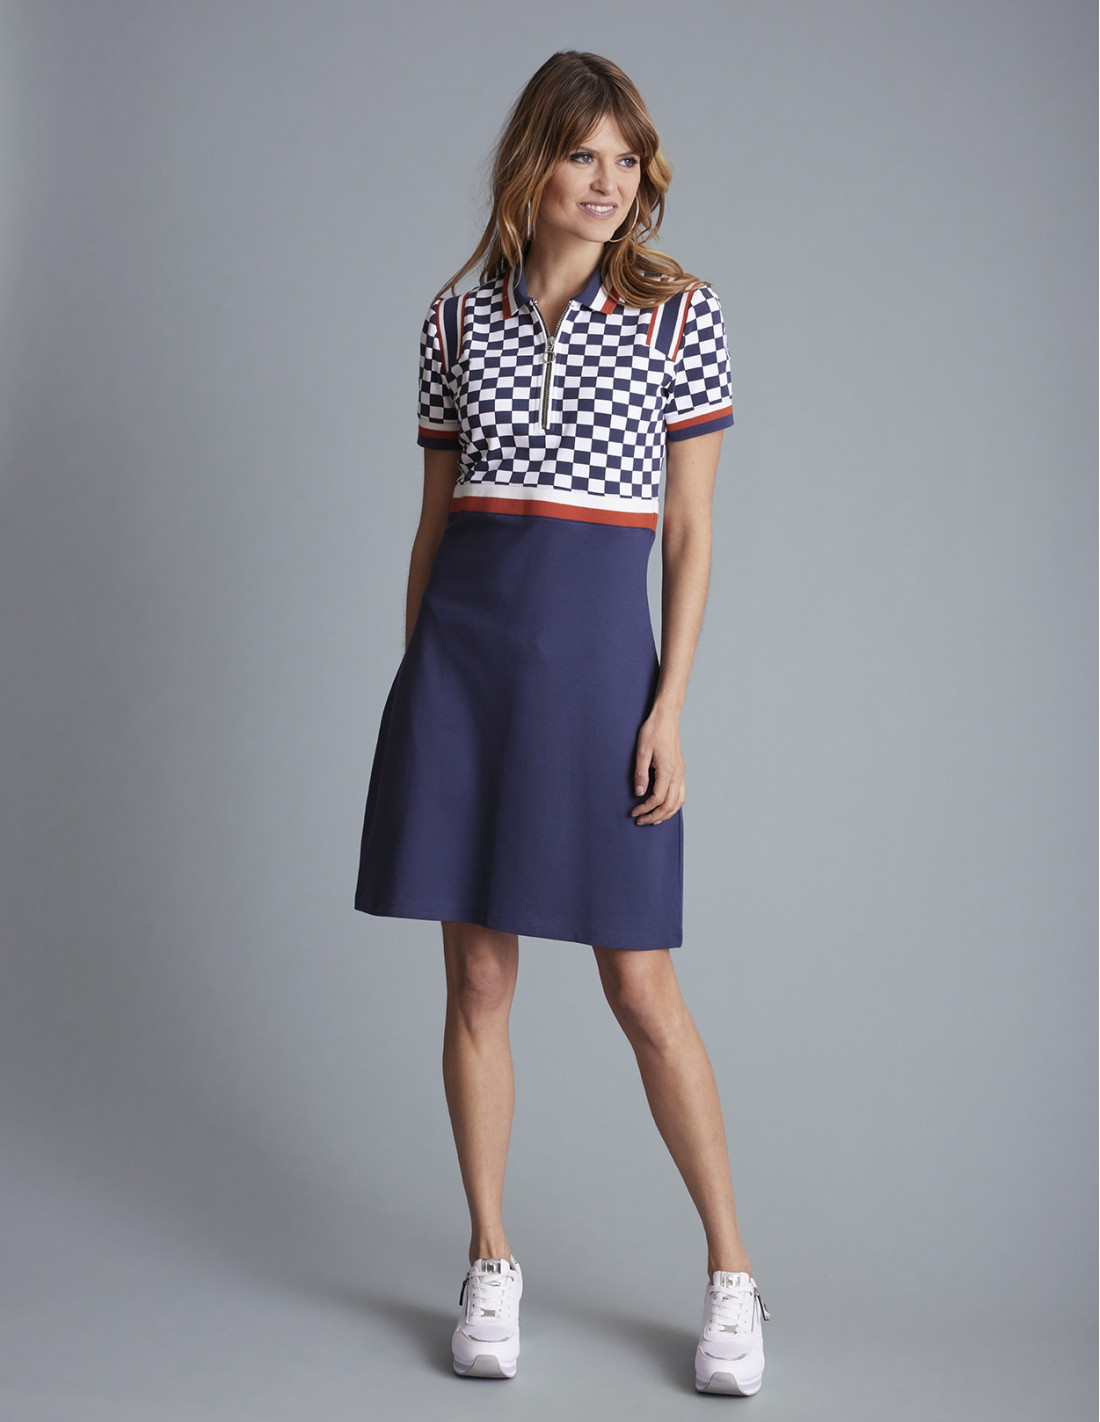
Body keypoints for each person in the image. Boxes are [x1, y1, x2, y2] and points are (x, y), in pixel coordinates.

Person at [353, 49, 769, 1397]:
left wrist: (670, 707)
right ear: (533, 163)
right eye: (584, 154)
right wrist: (419, 685)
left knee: (641, 989)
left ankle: (732, 1275)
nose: (610, 180)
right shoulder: (452, 321)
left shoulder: (679, 317)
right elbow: (433, 526)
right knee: (477, 982)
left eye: (627, 158)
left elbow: (691, 534)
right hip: (463, 674)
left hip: (601, 682)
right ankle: (489, 1258)